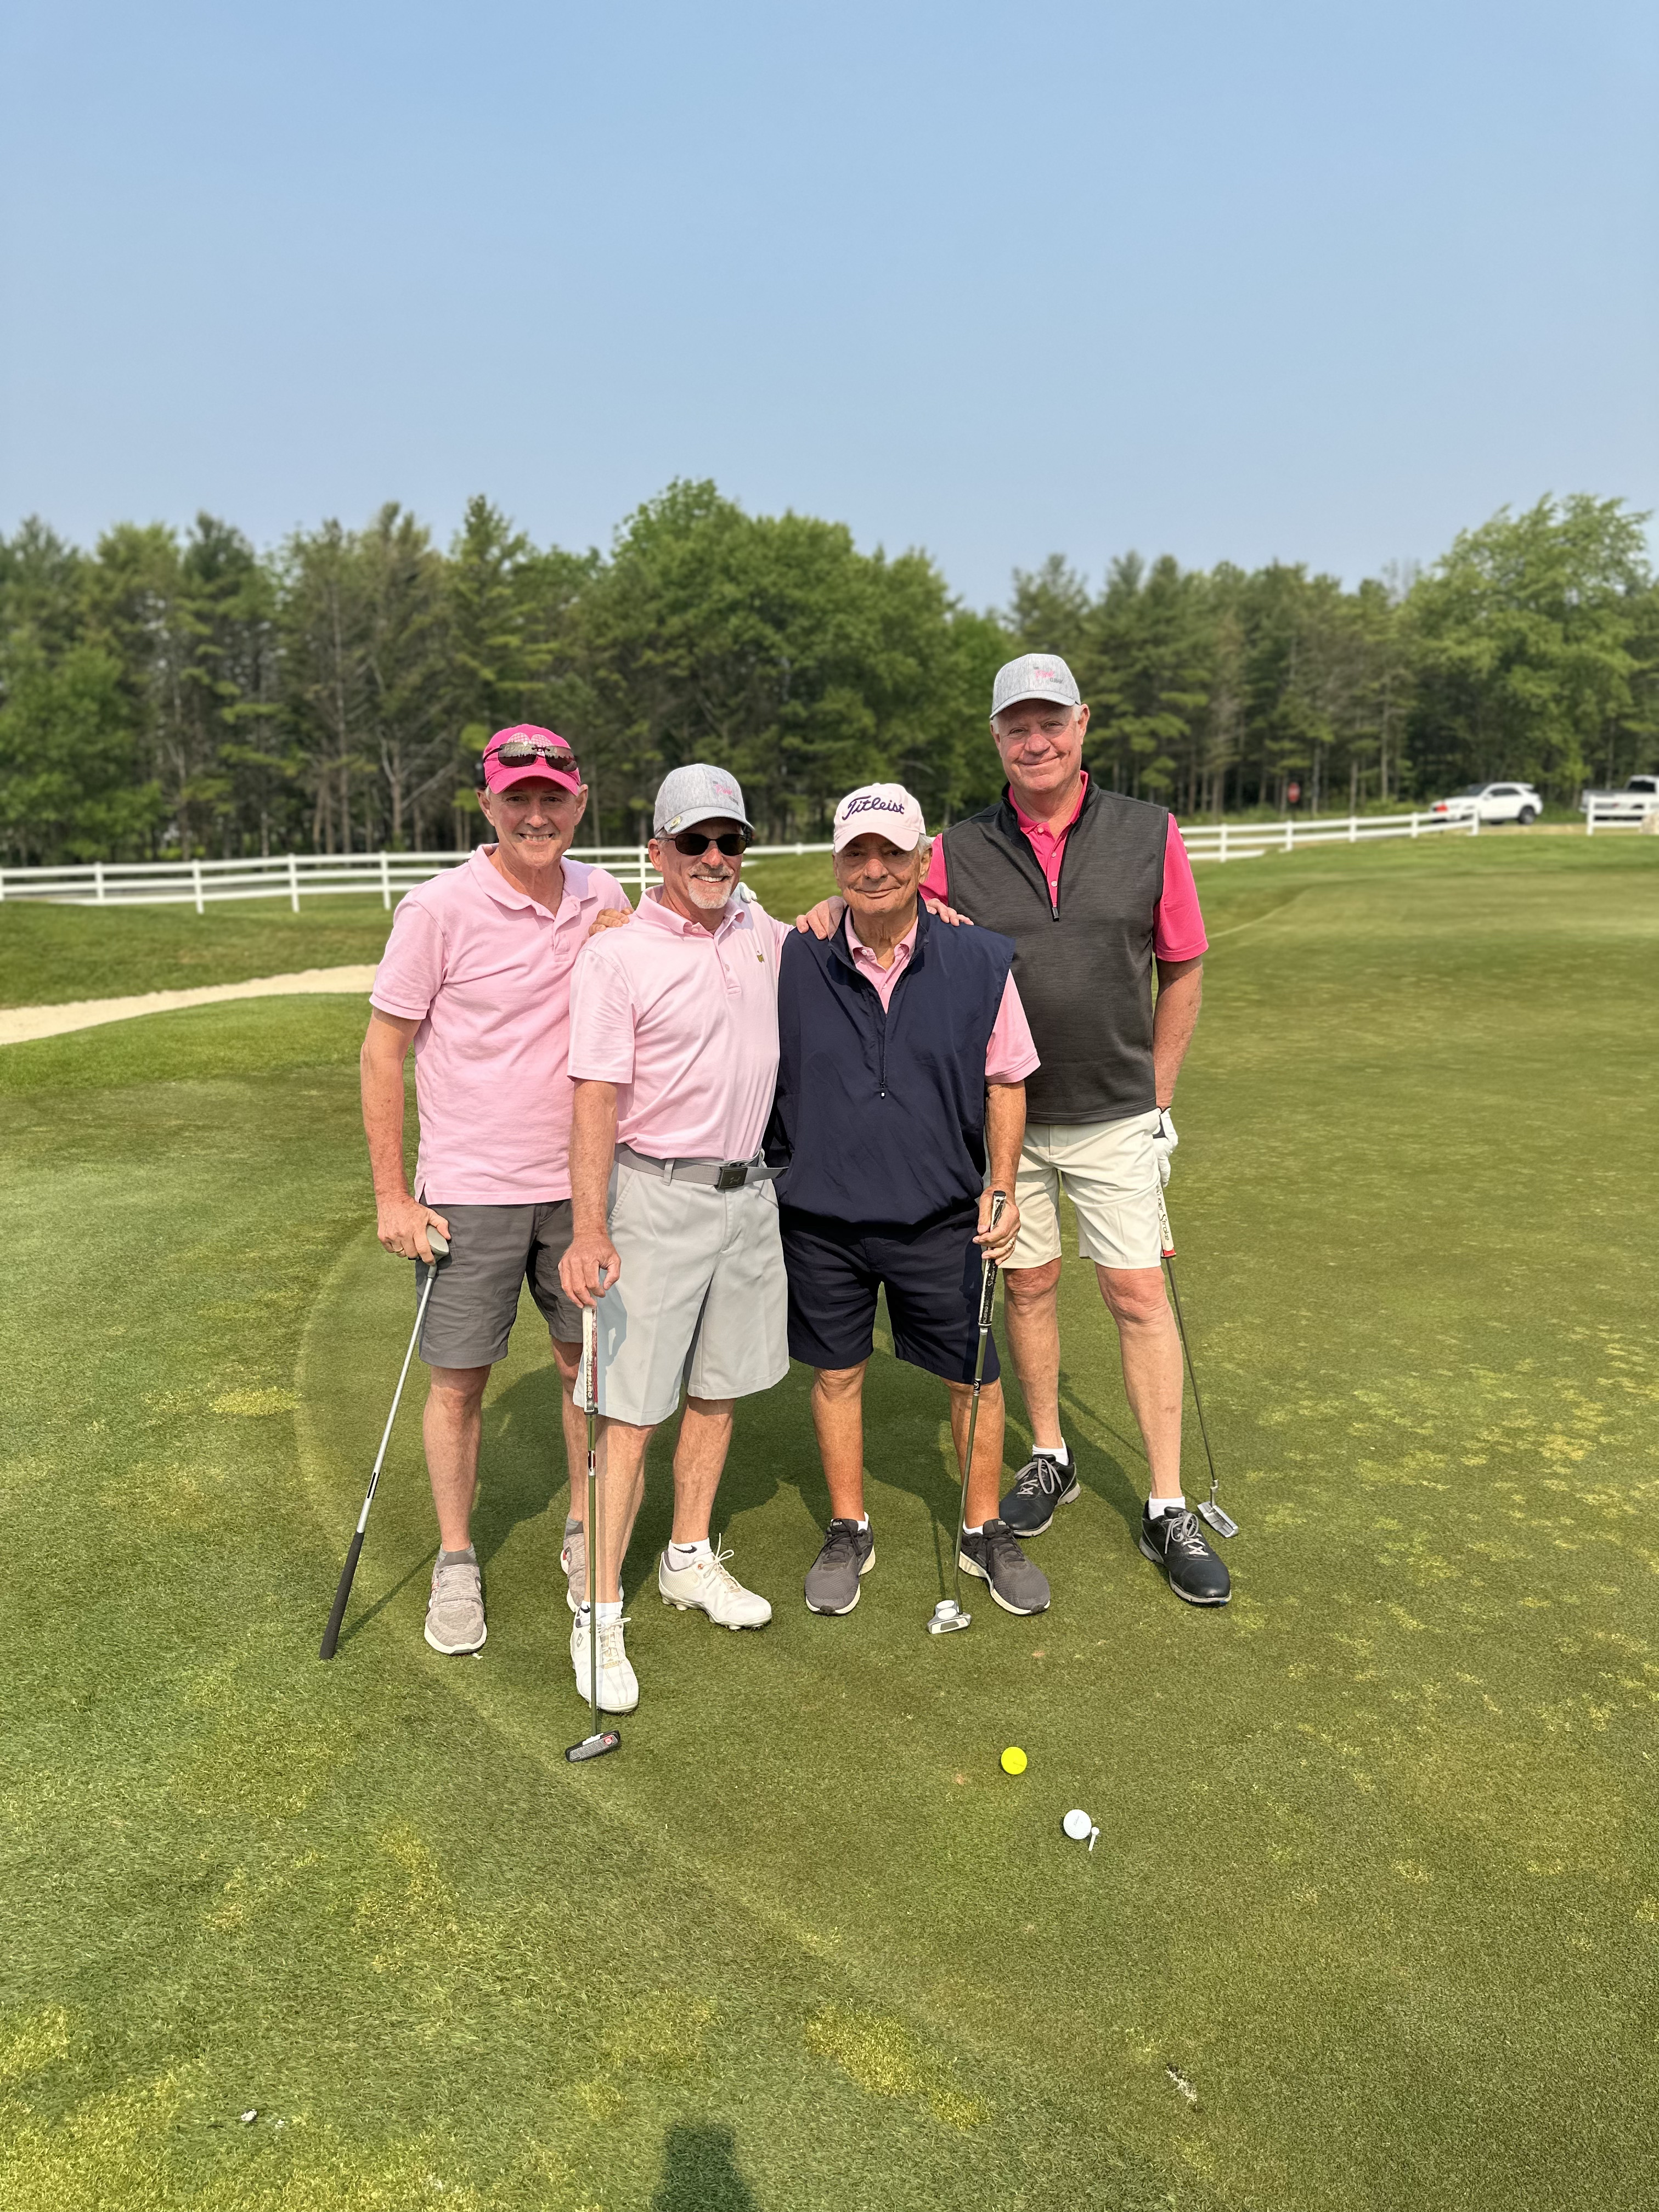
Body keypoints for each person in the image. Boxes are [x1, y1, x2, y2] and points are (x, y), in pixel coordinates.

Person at [921, 653, 1229, 1606]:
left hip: (1116, 1114)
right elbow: (896, 934)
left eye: (1050, 722)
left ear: (1082, 724)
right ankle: (1051, 1454)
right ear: (996, 738)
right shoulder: (956, 849)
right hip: (1006, 1119)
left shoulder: (1149, 831)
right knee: (1030, 1285)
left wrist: (1158, 1097)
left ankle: (1167, 1503)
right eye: (1017, 726)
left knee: (1136, 1294)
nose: (1036, 741)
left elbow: (1182, 965)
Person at [362, 725, 633, 1656]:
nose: (536, 815)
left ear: (579, 802)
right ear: (487, 806)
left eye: (553, 797)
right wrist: (392, 1196)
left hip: (581, 1188)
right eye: (518, 799)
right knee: (459, 1383)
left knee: (580, 1368)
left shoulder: (605, 895)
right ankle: (455, 1559)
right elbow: (383, 1052)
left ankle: (584, 1529)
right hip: (468, 1192)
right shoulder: (436, 909)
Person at [770, 785, 1051, 1618]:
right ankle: (848, 1526)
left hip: (942, 1214)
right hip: (823, 1219)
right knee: (836, 1374)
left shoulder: (978, 958)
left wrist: (1002, 1184)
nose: (874, 869)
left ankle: (982, 1527)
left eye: (892, 853)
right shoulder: (793, 953)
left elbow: (1007, 1079)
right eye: (856, 854)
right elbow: (705, 921)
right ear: (836, 865)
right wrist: (615, 918)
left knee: (973, 1378)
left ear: (924, 860)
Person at [558, 763, 788, 1713]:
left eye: (729, 841)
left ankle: (688, 1556)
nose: (714, 857)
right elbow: (594, 1098)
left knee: (719, 1390)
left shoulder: (762, 933)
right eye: (694, 841)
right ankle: (598, 1608)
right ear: (657, 851)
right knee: (631, 1416)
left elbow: (849, 926)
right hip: (653, 1200)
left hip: (750, 1197)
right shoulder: (617, 956)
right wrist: (588, 1227)